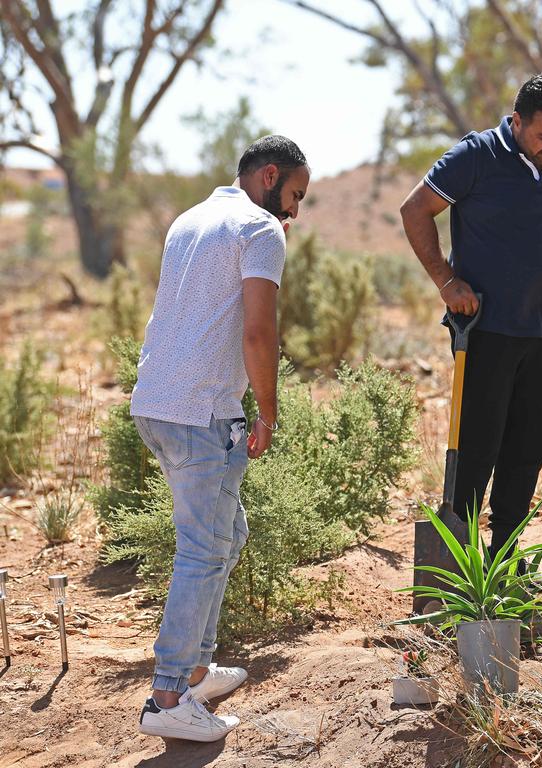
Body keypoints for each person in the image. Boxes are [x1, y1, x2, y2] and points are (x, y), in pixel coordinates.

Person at [130, 135, 310, 742]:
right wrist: (267, 409)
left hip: (158, 404)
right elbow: (259, 332)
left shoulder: (191, 219)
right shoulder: (260, 230)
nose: (293, 211)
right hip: (200, 411)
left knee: (225, 536)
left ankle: (197, 672)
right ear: (267, 177)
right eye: (293, 195)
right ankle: (167, 695)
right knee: (204, 549)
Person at [400, 73, 542, 561]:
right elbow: (415, 210)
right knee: (476, 448)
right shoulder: (476, 156)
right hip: (483, 330)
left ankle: (504, 556)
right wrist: (447, 282)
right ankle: (460, 561)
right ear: (517, 119)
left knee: (528, 447)